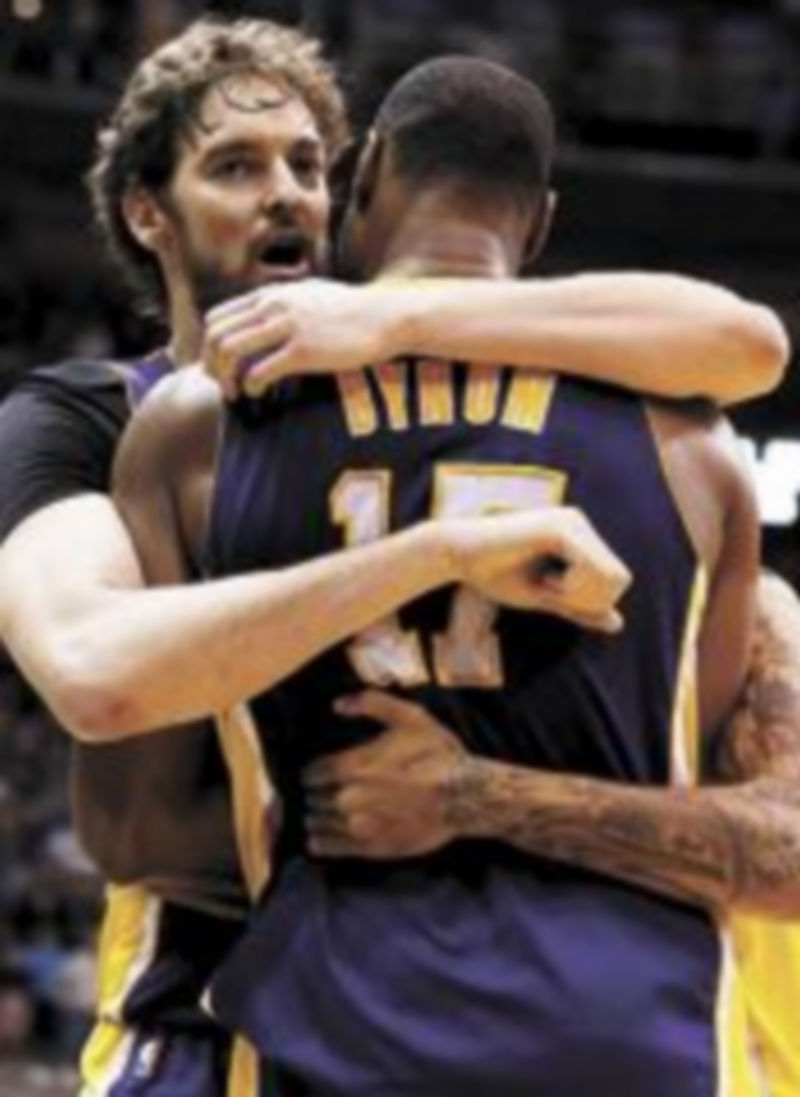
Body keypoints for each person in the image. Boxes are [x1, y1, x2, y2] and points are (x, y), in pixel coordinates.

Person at [1, 15, 779, 1096]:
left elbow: (746, 339)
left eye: (306, 164)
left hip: (330, 991)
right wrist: (441, 567)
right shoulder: (94, 414)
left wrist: (455, 795)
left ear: (358, 186)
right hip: (203, 981)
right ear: (149, 213)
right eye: (235, 166)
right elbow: (103, 700)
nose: (285, 193)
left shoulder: (210, 431)